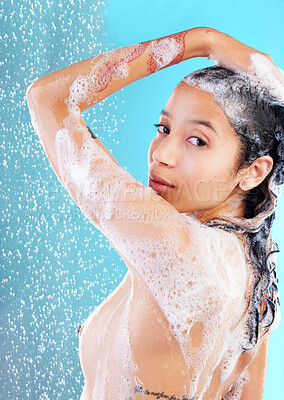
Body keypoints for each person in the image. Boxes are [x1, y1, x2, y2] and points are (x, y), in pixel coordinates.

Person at [26, 27, 284, 399]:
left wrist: (204, 42)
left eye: (197, 140)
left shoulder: (176, 247)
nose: (162, 154)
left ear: (254, 171)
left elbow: (48, 99)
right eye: (163, 128)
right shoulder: (256, 285)